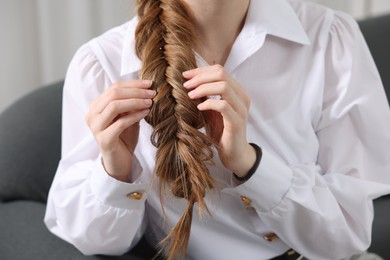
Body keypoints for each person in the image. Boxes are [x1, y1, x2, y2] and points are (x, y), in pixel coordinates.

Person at [44, 0, 390, 259]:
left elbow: (347, 236)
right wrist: (115, 172)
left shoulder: (330, 38)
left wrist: (250, 163)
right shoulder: (103, 65)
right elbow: (94, 241)